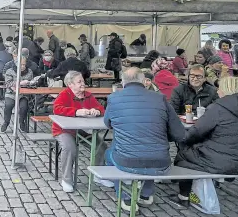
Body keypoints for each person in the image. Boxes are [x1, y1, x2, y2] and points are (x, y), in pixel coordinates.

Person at [104, 68, 185, 213]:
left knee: (109, 153)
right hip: (161, 161)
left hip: (126, 161)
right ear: (144, 82)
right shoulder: (160, 98)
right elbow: (179, 133)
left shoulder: (113, 98)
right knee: (150, 149)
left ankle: (126, 197)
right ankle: (146, 194)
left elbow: (108, 123)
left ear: (122, 83)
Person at [173, 76, 238, 207]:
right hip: (234, 160)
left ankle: (183, 196)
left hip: (219, 161)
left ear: (225, 89)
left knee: (183, 155)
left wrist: (182, 138)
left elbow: (196, 132)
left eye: (219, 88)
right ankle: (215, 182)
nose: (217, 91)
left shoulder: (218, 108)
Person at [53, 71, 107, 193]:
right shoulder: (64, 94)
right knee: (69, 148)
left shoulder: (88, 95)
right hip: (64, 130)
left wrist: (96, 111)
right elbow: (57, 109)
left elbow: (101, 108)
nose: (83, 84)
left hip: (83, 130)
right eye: (79, 82)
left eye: (83, 81)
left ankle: (98, 175)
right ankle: (66, 180)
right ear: (70, 84)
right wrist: (76, 112)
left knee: (101, 146)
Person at [1, 57, 34, 133]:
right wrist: (20, 83)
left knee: (24, 107)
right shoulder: (10, 71)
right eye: (21, 65)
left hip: (23, 94)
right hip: (11, 93)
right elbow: (8, 83)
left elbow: (31, 82)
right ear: (16, 64)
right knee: (8, 105)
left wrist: (31, 83)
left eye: (24, 65)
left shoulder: (29, 72)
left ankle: (22, 122)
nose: (22, 66)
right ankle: (6, 122)